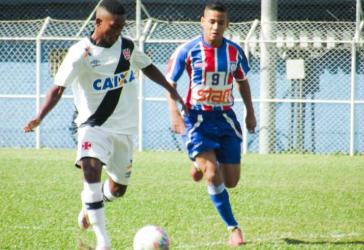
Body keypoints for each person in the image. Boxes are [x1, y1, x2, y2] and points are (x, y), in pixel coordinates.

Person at [24, 0, 186, 249]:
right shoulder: (81, 53)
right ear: (98, 22)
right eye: (113, 26)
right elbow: (57, 89)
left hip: (124, 129)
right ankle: (103, 241)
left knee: (118, 189)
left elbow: (148, 67)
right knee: (90, 169)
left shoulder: (127, 48)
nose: (117, 32)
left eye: (121, 27)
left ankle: (91, 202)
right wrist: (40, 116)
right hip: (93, 124)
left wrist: (171, 90)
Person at [166, 1, 256, 246]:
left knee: (232, 182)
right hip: (197, 120)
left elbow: (243, 82)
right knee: (213, 173)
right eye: (211, 21)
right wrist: (174, 114)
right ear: (202, 21)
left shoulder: (235, 52)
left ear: (227, 24)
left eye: (221, 22)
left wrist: (250, 112)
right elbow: (170, 84)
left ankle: (199, 165)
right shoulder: (186, 51)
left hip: (225, 119)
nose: (215, 26)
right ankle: (233, 228)